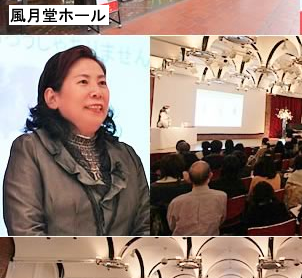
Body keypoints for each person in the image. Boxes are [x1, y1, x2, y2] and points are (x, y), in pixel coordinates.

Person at [3, 45, 150, 236]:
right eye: (83, 82)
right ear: (52, 98)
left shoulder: (127, 154)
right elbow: (26, 231)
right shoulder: (30, 149)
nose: (97, 92)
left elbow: (145, 226)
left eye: (102, 83)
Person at [167, 160, 227, 235]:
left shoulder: (176, 202)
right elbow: (221, 220)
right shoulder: (222, 196)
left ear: (188, 177)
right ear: (210, 175)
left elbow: (171, 226)